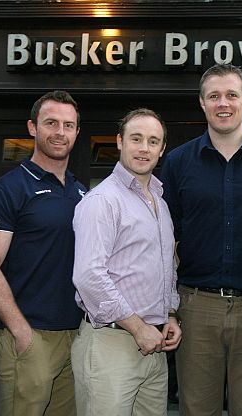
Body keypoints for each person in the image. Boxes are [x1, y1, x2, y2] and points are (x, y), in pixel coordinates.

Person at [160, 64, 242, 415]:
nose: (223, 103)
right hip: (197, 307)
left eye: (232, 95)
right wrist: (169, 307)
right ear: (202, 103)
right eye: (214, 96)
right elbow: (165, 242)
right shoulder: (177, 162)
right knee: (197, 408)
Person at [0, 90, 86, 416]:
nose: (60, 132)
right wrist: (21, 333)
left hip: (75, 334)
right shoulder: (10, 189)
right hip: (29, 336)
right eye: (51, 123)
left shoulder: (81, 192)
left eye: (68, 125)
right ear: (32, 127)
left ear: (77, 132)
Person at [71, 108, 181, 416]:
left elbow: (166, 265)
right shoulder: (102, 201)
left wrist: (169, 315)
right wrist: (138, 328)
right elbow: (89, 276)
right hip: (112, 344)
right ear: (120, 141)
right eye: (136, 138)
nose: (144, 148)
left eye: (153, 141)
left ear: (162, 149)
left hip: (154, 345)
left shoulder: (160, 202)